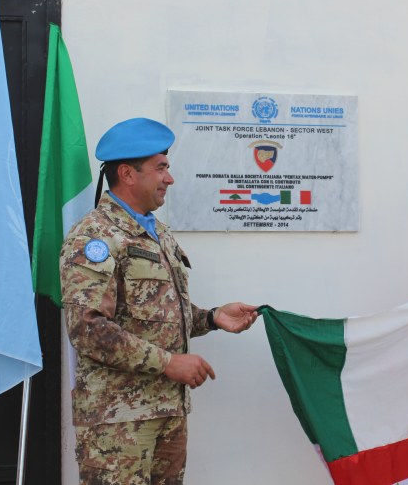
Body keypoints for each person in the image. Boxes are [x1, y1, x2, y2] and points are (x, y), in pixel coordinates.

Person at [60, 117, 259, 485]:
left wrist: (214, 317)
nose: (170, 178)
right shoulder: (95, 236)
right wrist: (169, 363)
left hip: (167, 411)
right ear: (128, 174)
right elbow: (87, 328)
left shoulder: (159, 234)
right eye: (161, 168)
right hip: (119, 422)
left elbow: (155, 314)